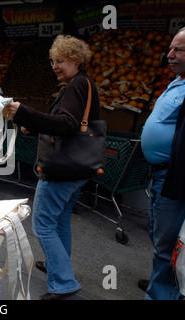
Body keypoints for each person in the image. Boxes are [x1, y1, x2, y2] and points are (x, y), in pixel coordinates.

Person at [5, 35, 99, 300]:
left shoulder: (77, 85)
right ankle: (57, 265)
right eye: (53, 61)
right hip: (76, 169)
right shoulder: (82, 84)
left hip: (61, 171)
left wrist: (22, 111)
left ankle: (63, 284)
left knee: (43, 224)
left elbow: (67, 124)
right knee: (58, 223)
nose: (55, 66)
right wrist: (34, 126)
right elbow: (65, 124)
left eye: (61, 60)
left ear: (77, 61)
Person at [140, 27, 185, 300]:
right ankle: (163, 282)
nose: (169, 55)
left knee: (166, 246)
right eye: (170, 48)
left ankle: (160, 293)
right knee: (159, 239)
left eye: (178, 50)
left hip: (173, 178)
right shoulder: (177, 81)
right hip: (158, 175)